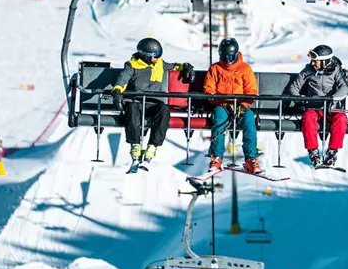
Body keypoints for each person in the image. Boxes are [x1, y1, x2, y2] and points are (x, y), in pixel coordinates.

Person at [108, 38, 195, 165]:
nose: (157, 59)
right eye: (155, 56)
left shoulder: (159, 63)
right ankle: (135, 145)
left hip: (154, 104)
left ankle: (153, 146)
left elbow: (174, 66)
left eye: (159, 55)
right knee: (131, 109)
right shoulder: (132, 66)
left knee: (164, 111)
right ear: (145, 56)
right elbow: (123, 80)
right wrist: (117, 92)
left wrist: (186, 67)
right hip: (136, 102)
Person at [283, 44, 348, 167]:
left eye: (316, 61)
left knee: (341, 119)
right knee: (308, 117)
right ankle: (313, 151)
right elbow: (294, 87)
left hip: (331, 108)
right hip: (314, 107)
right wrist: (300, 100)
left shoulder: (336, 70)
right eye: (312, 61)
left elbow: (344, 88)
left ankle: (332, 152)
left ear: (325, 62)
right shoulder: (308, 71)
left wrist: (333, 99)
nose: (313, 63)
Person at [204, 38, 261, 173]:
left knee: (249, 120)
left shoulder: (245, 69)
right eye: (225, 56)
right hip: (222, 105)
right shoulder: (215, 68)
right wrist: (221, 102)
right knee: (219, 120)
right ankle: (216, 157)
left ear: (236, 54)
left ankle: (251, 158)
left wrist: (244, 105)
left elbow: (251, 91)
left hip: (240, 106)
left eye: (231, 56)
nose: (228, 60)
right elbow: (208, 89)